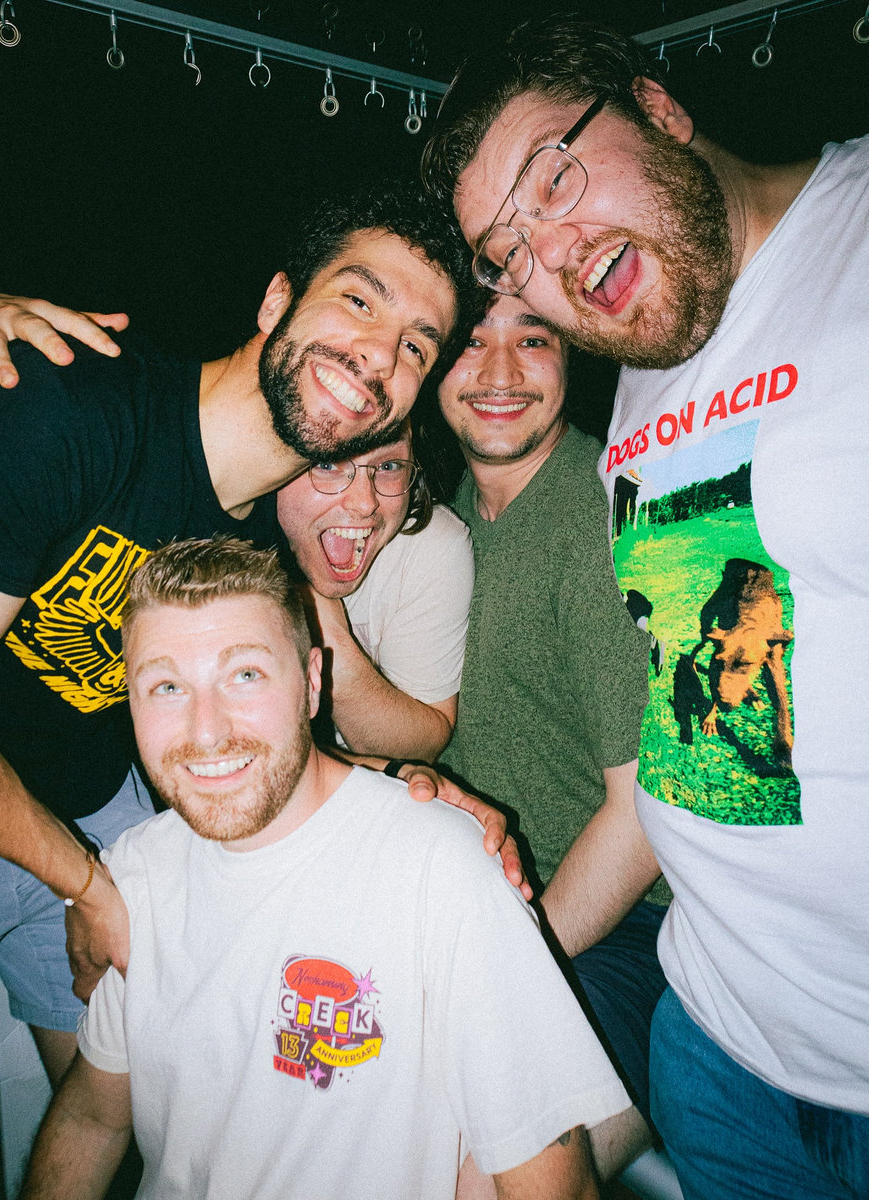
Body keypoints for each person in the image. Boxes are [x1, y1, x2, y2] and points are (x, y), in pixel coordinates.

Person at [0, 181, 497, 1092]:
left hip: (82, 812)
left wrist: (410, 790)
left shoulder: (258, 549)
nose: (379, 355)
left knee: (127, 1104)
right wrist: (85, 883)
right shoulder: (64, 413)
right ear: (276, 301)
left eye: (415, 346)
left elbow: (247, 734)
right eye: (358, 300)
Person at [422, 17, 869, 1199]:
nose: (549, 255)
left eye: (552, 179)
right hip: (722, 1041)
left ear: (658, 108)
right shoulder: (646, 376)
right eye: (505, 253)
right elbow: (715, 717)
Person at [18, 535, 630, 1200]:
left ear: (312, 682)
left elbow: (553, 1186)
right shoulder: (137, 873)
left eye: (245, 675)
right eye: (166, 687)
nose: (206, 730)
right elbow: (91, 1118)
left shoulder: (440, 869)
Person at [424, 293, 665, 1179]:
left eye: (533, 339)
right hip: (486, 904)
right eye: (470, 341)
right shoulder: (448, 512)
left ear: (574, 358)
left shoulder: (596, 518)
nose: (499, 373)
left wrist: (513, 960)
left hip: (627, 934)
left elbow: (642, 820)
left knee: (471, 1171)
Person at [276, 425, 473, 760]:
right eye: (327, 463)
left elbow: (423, 744)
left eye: (388, 466)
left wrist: (331, 645)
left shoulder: (426, 548)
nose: (365, 503)